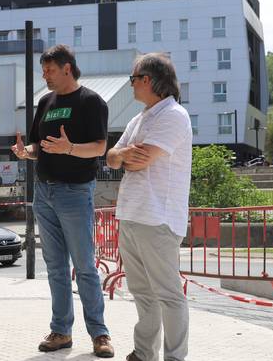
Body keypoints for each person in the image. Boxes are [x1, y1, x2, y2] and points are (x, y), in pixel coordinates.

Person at [11, 44, 114, 358]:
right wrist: (25, 152)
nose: (45, 76)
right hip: (44, 193)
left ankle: (100, 333)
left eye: (50, 70)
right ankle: (61, 331)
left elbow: (99, 147)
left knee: (84, 267)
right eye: (43, 71)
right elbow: (38, 146)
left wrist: (69, 148)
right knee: (55, 267)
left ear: (67, 68)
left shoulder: (91, 101)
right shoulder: (45, 102)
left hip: (75, 192)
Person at [105, 53, 192, 361]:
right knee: (142, 293)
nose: (131, 84)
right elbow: (111, 158)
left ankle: (175, 357)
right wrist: (122, 155)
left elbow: (143, 159)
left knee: (168, 293)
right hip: (131, 214)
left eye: (133, 79)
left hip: (158, 218)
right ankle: (144, 354)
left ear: (148, 80)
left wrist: (124, 156)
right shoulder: (139, 118)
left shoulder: (174, 115)